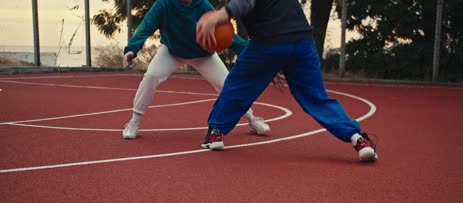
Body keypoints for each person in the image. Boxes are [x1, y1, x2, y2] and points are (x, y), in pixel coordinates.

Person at [196, 0, 378, 161]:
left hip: (269, 42)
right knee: (316, 97)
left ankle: (216, 132)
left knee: (237, 86)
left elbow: (246, 2)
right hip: (302, 41)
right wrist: (271, 64)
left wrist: (219, 15)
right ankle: (358, 139)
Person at [121, 0, 271, 139]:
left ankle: (251, 119)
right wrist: (131, 49)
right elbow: (146, 26)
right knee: (151, 75)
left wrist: (251, 51)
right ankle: (134, 122)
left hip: (203, 55)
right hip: (172, 51)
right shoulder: (163, 4)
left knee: (229, 86)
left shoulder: (203, 5)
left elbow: (225, 33)